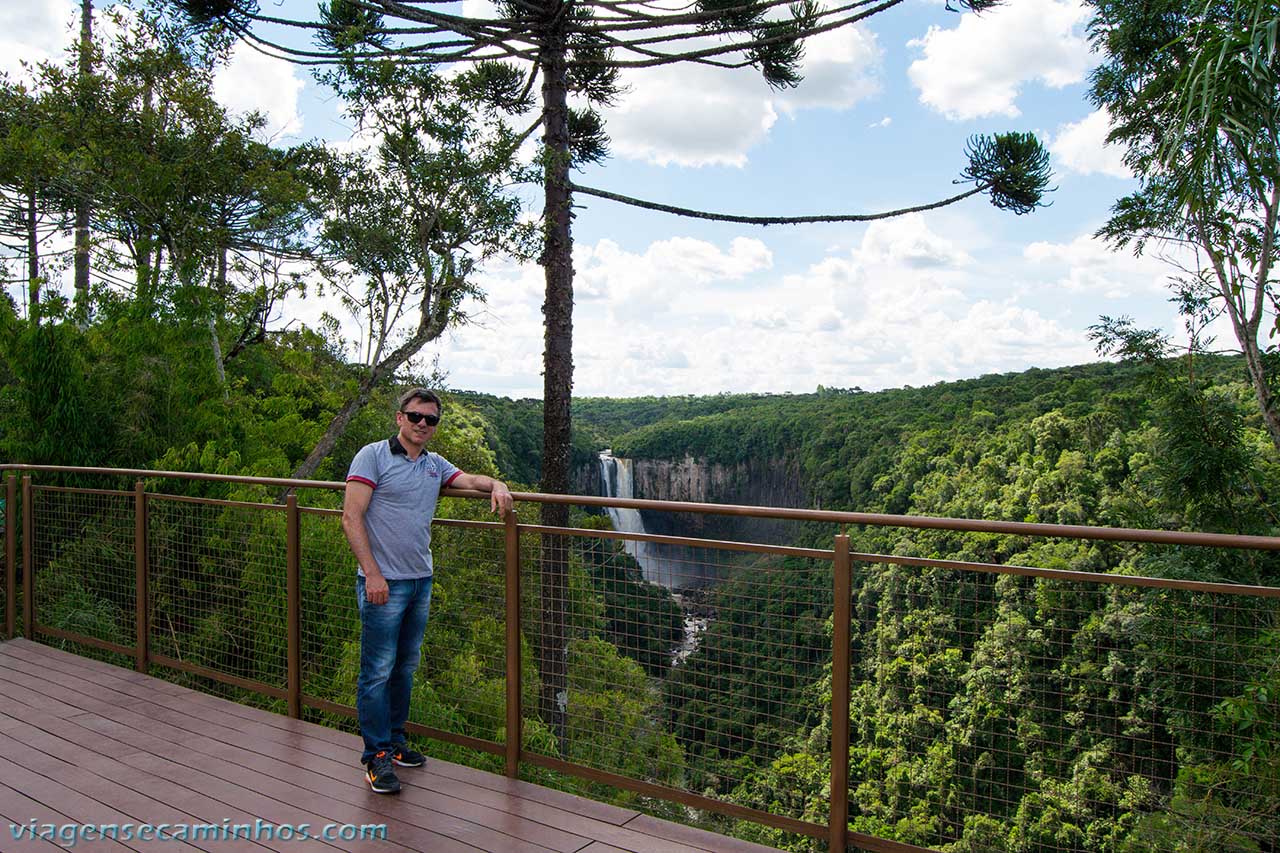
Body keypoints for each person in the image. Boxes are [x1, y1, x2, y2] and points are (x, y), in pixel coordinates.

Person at [342, 388, 513, 794]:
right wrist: (373, 574)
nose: (422, 424)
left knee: (404, 667)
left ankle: (396, 741)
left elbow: (470, 480)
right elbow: (351, 517)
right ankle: (376, 756)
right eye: (415, 416)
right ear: (399, 418)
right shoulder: (373, 456)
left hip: (421, 580)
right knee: (377, 672)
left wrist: (499, 484)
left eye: (430, 420)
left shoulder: (434, 466)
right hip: (384, 582)